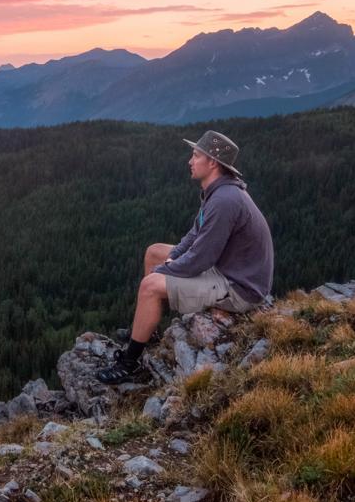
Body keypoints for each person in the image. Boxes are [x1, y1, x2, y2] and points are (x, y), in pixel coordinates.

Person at [96, 130, 274, 385]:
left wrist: (167, 271)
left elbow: (201, 258)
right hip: (227, 269)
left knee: (149, 286)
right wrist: (169, 261)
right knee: (154, 252)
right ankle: (150, 330)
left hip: (239, 288)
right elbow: (193, 237)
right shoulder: (217, 192)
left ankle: (129, 363)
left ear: (212, 162)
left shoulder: (225, 200)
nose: (190, 161)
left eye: (195, 155)